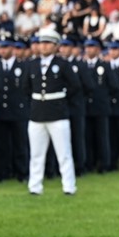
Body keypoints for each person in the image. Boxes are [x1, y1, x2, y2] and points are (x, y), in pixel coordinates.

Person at [25, 28, 78, 195]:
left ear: (56, 46)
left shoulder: (63, 65)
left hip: (57, 113)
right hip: (37, 113)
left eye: (48, 43)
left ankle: (68, 186)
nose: (44, 46)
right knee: (36, 154)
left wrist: (61, 100)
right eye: (42, 43)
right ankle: (35, 186)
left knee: (64, 153)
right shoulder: (32, 64)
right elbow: (25, 88)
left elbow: (74, 86)